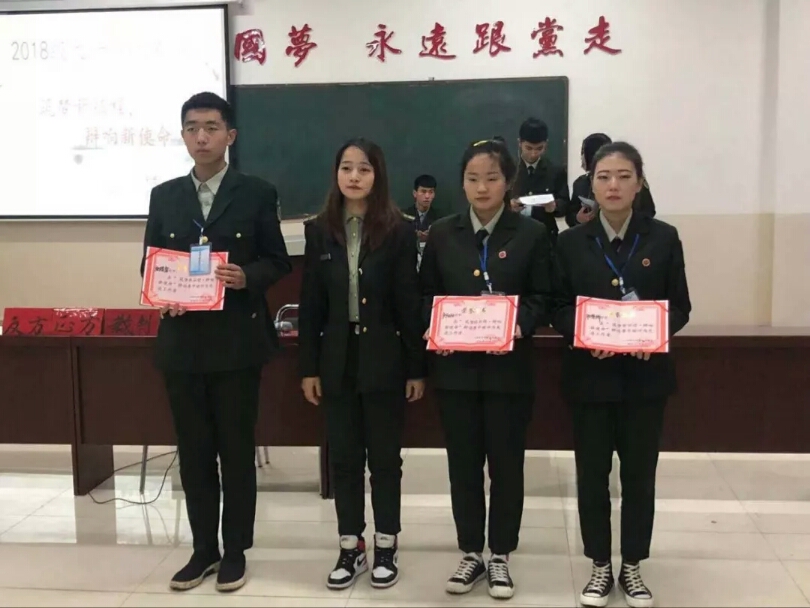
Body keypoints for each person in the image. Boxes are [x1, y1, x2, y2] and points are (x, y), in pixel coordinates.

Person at [140, 92, 292, 592]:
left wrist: (247, 276)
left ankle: (236, 550)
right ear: (183, 135)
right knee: (194, 452)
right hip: (183, 345)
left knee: (235, 450)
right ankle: (203, 548)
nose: (201, 137)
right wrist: (162, 295)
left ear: (230, 135)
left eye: (210, 127)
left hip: (236, 344)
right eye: (192, 128)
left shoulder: (256, 192)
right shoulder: (164, 195)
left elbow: (277, 261)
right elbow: (150, 263)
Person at [551, 142, 691, 608]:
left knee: (638, 477)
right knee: (592, 476)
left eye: (624, 176)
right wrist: (584, 333)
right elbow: (557, 306)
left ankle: (632, 564)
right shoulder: (570, 242)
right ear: (590, 185)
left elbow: (680, 306)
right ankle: (599, 564)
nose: (613, 185)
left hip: (645, 380)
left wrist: (654, 334)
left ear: (639, 183)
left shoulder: (663, 238)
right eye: (604, 177)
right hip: (589, 378)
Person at [419, 139, 553, 600]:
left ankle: (501, 554)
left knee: (506, 466)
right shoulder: (442, 233)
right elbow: (425, 295)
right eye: (473, 179)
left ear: (508, 181)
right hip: (455, 372)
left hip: (508, 373)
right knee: (463, 466)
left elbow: (543, 298)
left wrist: (517, 325)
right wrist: (435, 324)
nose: (482, 187)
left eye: (492, 178)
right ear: (462, 183)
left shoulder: (531, 234)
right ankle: (471, 551)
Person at [298, 137, 426, 591]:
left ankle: (387, 544)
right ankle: (350, 546)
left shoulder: (399, 230)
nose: (354, 176)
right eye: (346, 167)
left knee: (385, 460)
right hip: (336, 360)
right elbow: (311, 304)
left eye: (364, 169)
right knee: (346, 460)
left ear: (378, 175)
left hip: (385, 359)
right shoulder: (319, 230)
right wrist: (308, 368)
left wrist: (416, 368)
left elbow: (408, 303)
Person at [566, 133, 657, 228]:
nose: (613, 185)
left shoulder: (633, 180)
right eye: (603, 177)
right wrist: (577, 218)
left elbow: (649, 211)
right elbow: (570, 215)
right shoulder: (580, 183)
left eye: (583, 152)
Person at [509, 118, 570, 244]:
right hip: (513, 236)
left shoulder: (555, 171)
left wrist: (554, 206)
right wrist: (508, 206)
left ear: (546, 144)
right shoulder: (508, 169)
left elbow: (565, 203)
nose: (533, 153)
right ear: (519, 143)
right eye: (528, 148)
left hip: (545, 236)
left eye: (539, 148)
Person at [404, 174, 440, 241]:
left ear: (434, 194)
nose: (427, 196)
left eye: (431, 192)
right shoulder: (404, 217)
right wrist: (413, 235)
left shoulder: (440, 219)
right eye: (423, 191)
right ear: (415, 193)